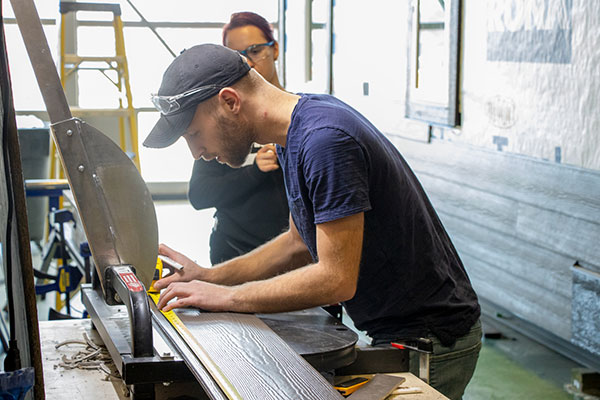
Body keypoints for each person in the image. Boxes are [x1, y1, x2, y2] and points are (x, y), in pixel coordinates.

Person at [144, 44, 481, 399]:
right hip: (395, 328)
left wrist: (227, 297)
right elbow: (297, 243)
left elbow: (335, 279)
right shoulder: (295, 131)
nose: (196, 152)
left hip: (431, 338)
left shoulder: (325, 141)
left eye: (194, 134)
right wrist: (209, 276)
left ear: (230, 101)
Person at [188, 12, 288, 265]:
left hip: (296, 258)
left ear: (274, 49)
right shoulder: (222, 123)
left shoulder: (302, 119)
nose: (249, 64)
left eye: (255, 51)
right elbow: (199, 195)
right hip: (234, 252)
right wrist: (254, 170)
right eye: (238, 57)